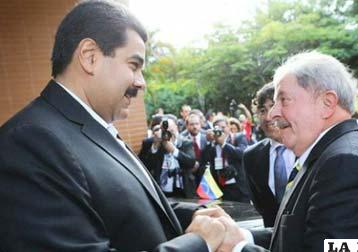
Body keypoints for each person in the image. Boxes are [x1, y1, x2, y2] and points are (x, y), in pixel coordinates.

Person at [0, 1, 226, 251]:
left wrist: (198, 216)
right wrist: (198, 243)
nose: (141, 83)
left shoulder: (91, 129)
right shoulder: (30, 141)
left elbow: (127, 206)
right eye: (134, 65)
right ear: (90, 57)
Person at [199, 51, 358, 252]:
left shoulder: (346, 166)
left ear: (327, 103)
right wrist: (244, 236)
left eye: (284, 100)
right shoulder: (328, 156)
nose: (272, 113)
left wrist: (237, 248)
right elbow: (301, 233)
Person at [243, 82, 295, 227]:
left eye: (272, 107)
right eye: (262, 110)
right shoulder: (251, 156)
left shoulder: (309, 149)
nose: (268, 117)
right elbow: (260, 205)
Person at [138, 115, 197, 198]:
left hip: (183, 189)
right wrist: (155, 146)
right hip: (162, 190)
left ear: (176, 128)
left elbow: (191, 162)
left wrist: (174, 150)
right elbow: (145, 166)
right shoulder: (152, 142)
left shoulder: (185, 142)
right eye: (165, 131)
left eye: (171, 131)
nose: (169, 134)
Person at [200, 116, 251, 203]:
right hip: (222, 188)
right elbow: (204, 160)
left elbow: (242, 154)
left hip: (239, 186)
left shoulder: (238, 137)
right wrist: (209, 141)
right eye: (218, 128)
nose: (221, 130)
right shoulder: (213, 145)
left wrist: (223, 144)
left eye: (223, 127)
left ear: (228, 127)